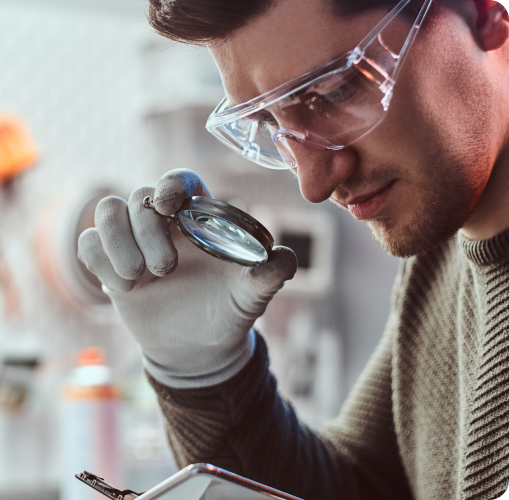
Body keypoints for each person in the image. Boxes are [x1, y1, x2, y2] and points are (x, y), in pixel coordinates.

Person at [76, 0, 509, 498]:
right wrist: (205, 374)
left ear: (482, 12)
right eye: (269, 125)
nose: (314, 182)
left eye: (334, 90)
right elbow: (362, 487)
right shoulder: (441, 253)